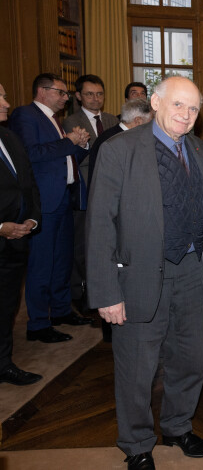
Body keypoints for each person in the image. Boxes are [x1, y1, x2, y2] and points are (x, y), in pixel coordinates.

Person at [86, 76, 203, 469]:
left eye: (194, 108)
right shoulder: (119, 150)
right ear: (156, 102)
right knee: (137, 368)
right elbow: (99, 226)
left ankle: (178, 427)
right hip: (138, 277)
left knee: (189, 360)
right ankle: (137, 444)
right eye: (178, 105)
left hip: (192, 271)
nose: (186, 115)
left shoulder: (200, 150)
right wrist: (106, 292)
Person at [8, 73, 91, 343]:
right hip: (43, 202)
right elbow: (30, 154)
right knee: (41, 264)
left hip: (63, 197)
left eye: (66, 93)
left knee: (61, 261)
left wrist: (81, 144)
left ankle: (60, 310)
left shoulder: (54, 121)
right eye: (61, 92)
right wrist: (70, 141)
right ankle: (38, 324)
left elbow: (66, 156)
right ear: (42, 91)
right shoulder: (26, 115)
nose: (66, 98)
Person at [62, 74, 119, 308]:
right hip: (84, 190)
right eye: (89, 94)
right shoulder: (70, 122)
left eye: (99, 94)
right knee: (82, 245)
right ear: (78, 96)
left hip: (111, 190)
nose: (95, 99)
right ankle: (80, 294)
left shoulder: (112, 119)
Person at [0, 82, 42, 385]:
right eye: (0, 96)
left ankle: (3, 364)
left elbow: (28, 184)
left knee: (6, 308)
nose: (6, 103)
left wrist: (32, 220)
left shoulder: (10, 137)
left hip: (16, 243)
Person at [88, 98, 153, 186]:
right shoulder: (111, 142)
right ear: (138, 121)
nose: (152, 127)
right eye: (150, 122)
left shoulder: (124, 135)